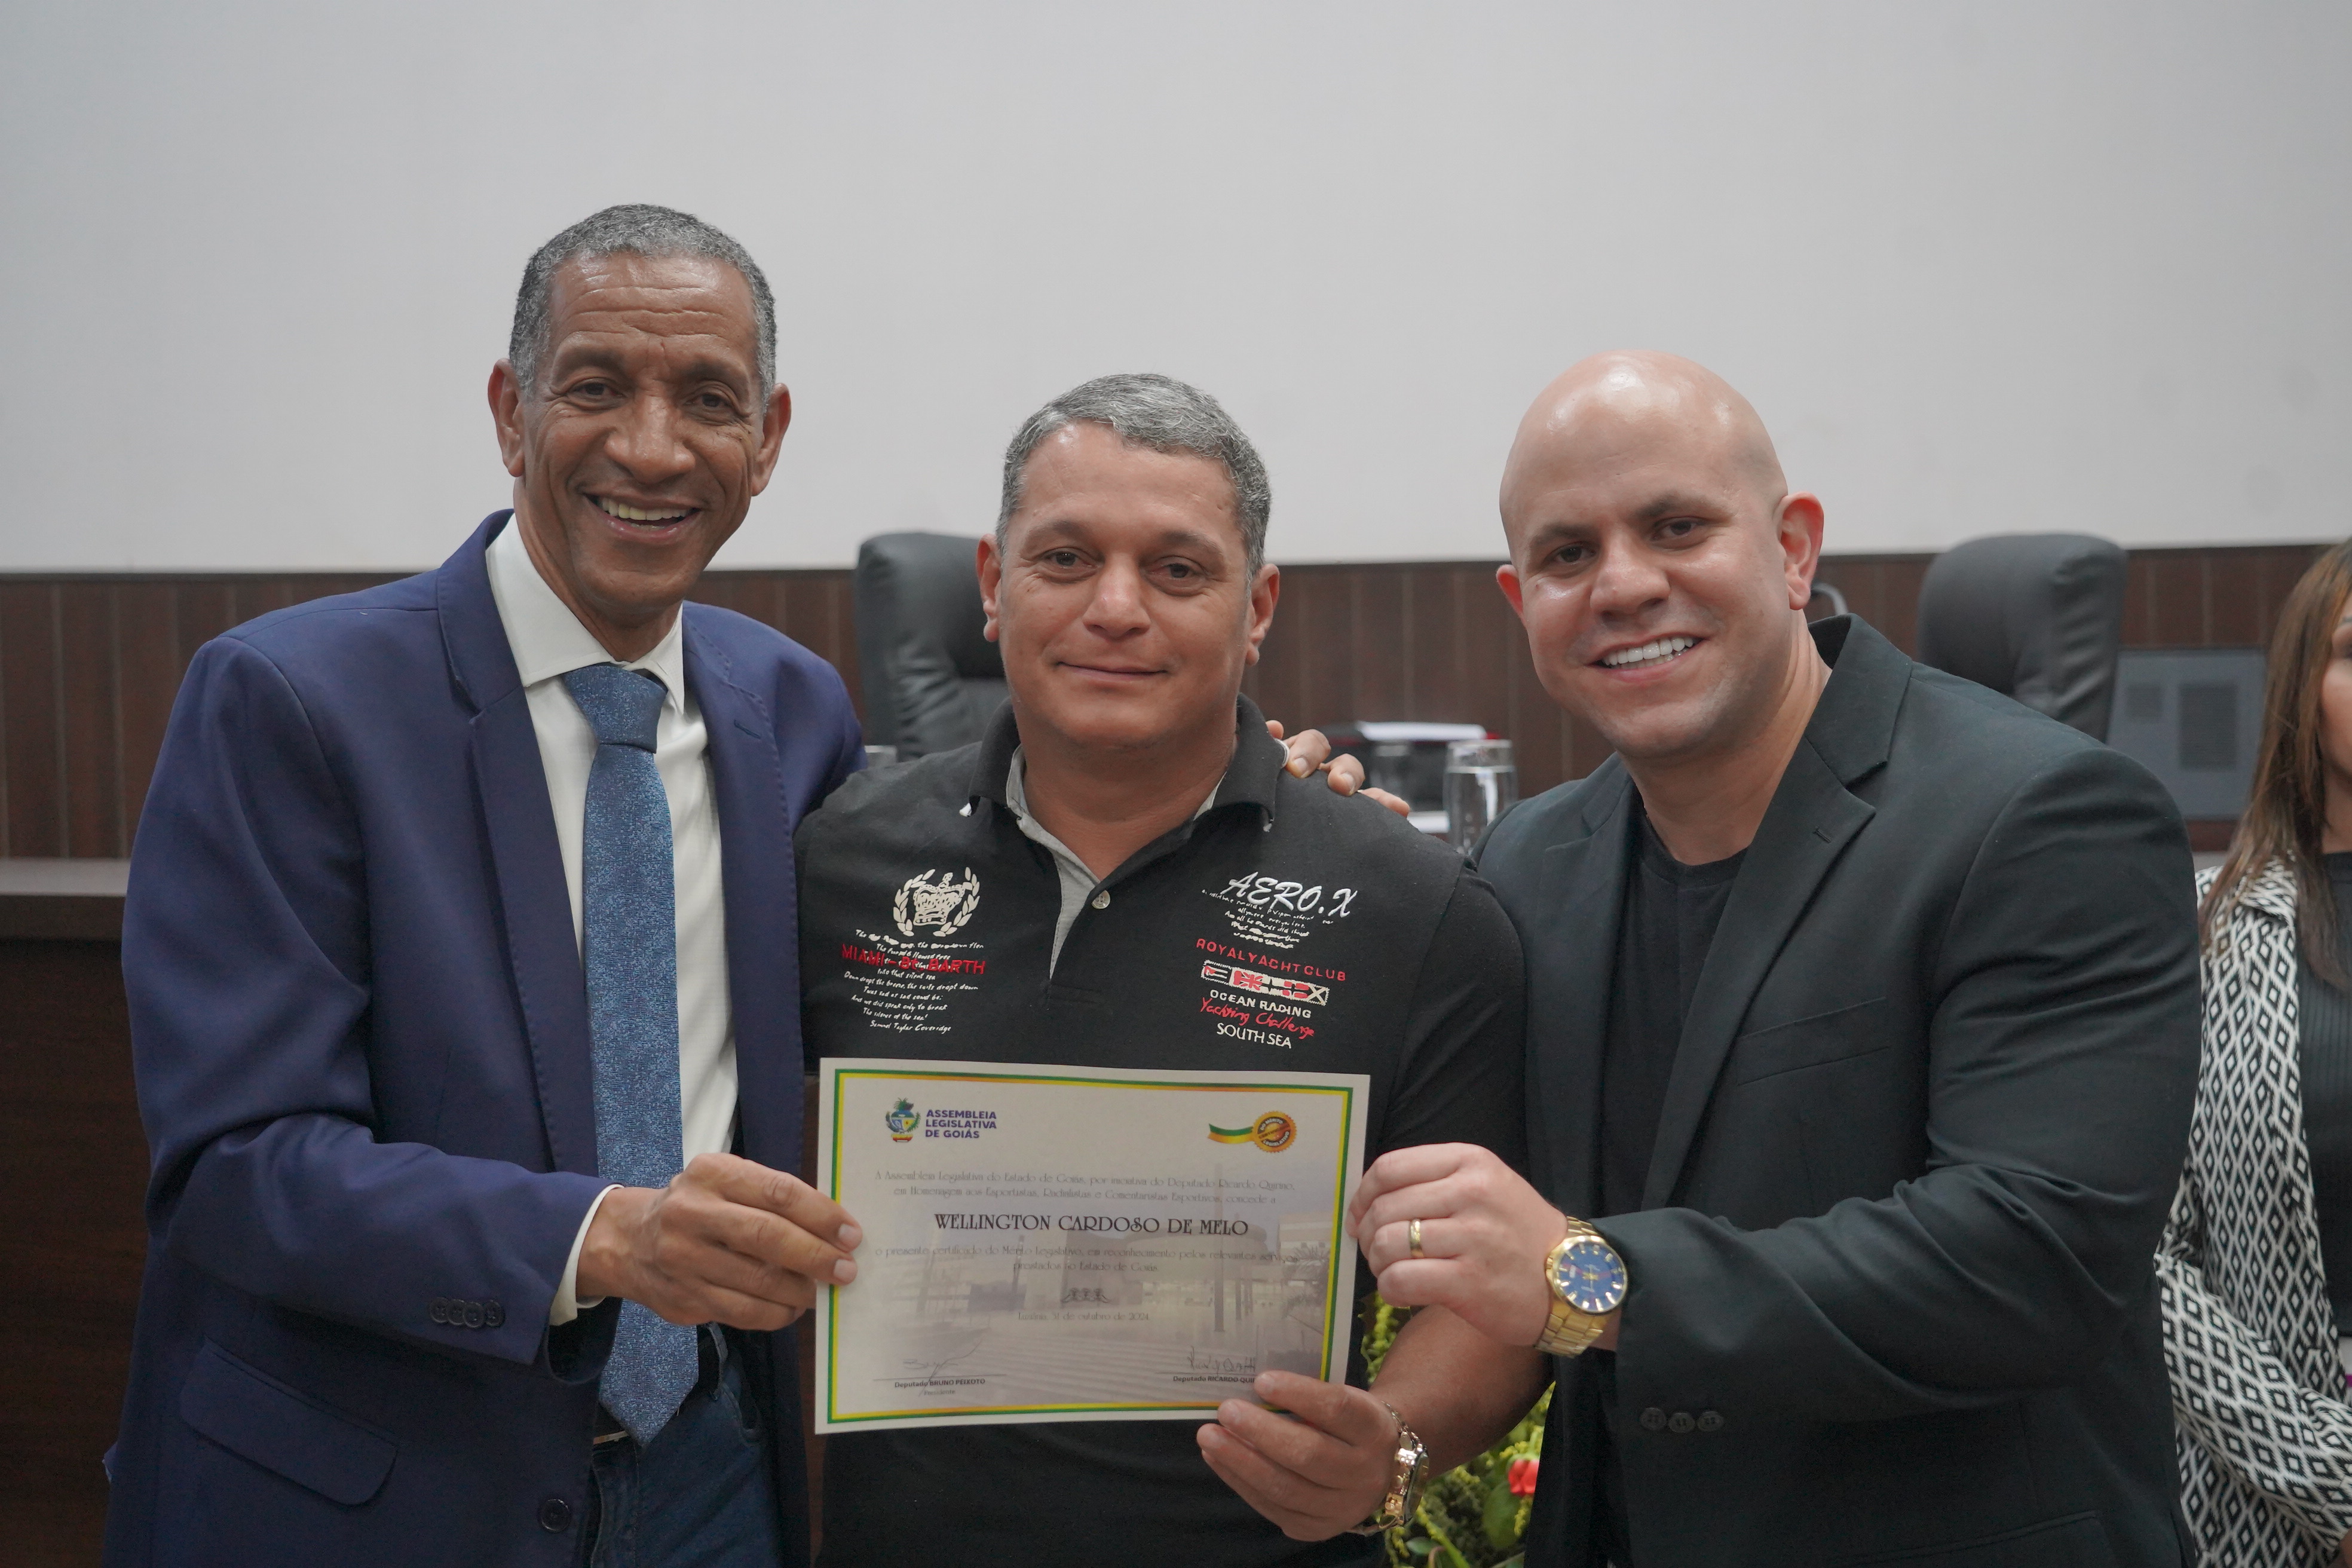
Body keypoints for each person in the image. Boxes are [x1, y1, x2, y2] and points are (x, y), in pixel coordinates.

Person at [1343, 351, 2202, 1566]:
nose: (1623, 585)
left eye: (1677, 527)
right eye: (1568, 554)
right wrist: (1391, 1446)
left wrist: (1590, 1278)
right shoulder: (1533, 861)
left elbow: (2032, 1260)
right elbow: (1503, 1256)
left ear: (1794, 549)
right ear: (1519, 600)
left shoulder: (2042, 816)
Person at [104, 205, 867, 1567]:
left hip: (717, 1477)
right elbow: (238, 1165)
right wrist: (605, 1238)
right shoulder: (288, 699)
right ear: (514, 413)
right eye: (597, 387)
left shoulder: (793, 709)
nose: (653, 447)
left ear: (769, 438)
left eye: (709, 400)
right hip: (385, 1494)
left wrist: (1239, 793)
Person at [795, 373, 1545, 1566]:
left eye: (1179, 570)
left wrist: (1393, 1445)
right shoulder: (834, 862)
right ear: (993, 583)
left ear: (1259, 608)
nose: (1116, 608)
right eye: (1065, 558)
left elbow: (1487, 1301)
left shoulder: (1415, 910)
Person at [2161, 539, 2352, 1565]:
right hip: (2272, 1501)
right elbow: (2147, 1257)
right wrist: (2334, 1484)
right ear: (2300, 693)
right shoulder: (2204, 934)